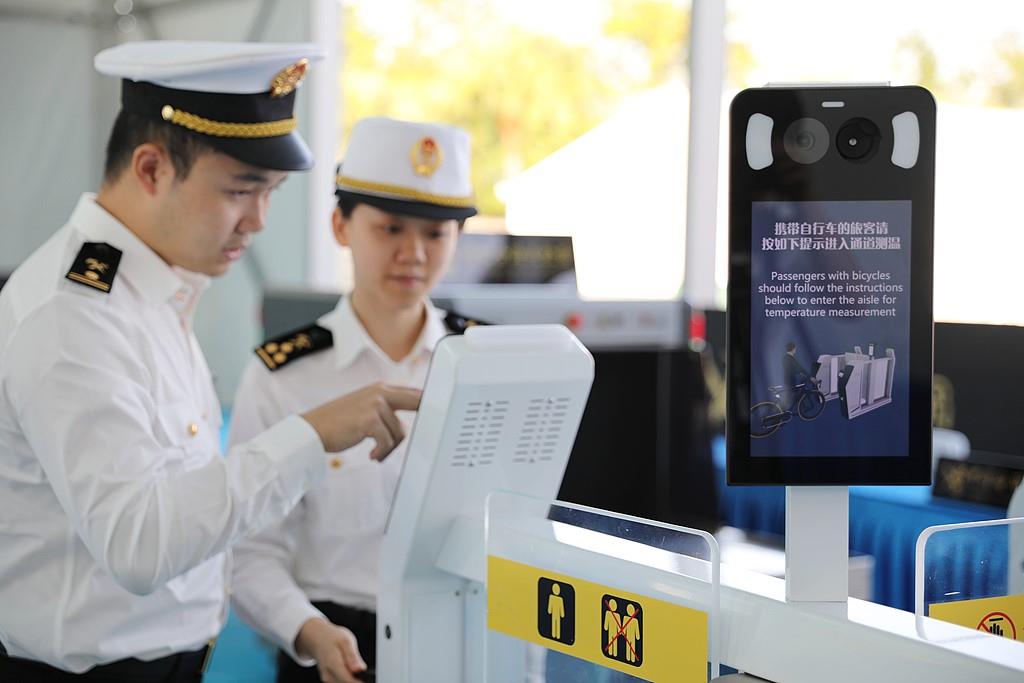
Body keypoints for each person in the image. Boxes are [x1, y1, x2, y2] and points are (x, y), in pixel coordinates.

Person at [0, 43, 420, 683]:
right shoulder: (76, 314)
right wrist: (311, 435)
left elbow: (185, 504)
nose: (258, 220)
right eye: (240, 190)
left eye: (272, 191)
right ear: (150, 169)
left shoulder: (153, 289)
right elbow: (139, 544)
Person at [227, 116, 479, 683]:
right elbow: (249, 550)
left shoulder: (487, 367)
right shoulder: (282, 377)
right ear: (341, 226)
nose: (414, 253)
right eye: (390, 228)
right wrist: (308, 630)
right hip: (332, 647)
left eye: (436, 234)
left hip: (461, 644)